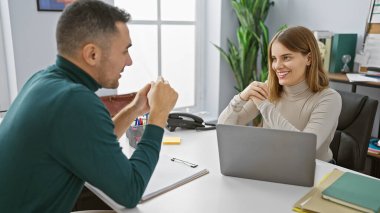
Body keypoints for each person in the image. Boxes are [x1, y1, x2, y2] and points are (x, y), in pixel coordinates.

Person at [0, 0, 178, 212]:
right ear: (92, 54)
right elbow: (131, 191)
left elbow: (89, 140)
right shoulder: (74, 101)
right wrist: (159, 115)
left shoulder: (42, 80)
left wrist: (136, 108)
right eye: (124, 51)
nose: (129, 61)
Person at [218, 26, 342, 162]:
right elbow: (224, 127)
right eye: (274, 59)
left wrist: (265, 106)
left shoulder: (329, 99)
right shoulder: (269, 88)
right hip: (273, 164)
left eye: (286, 57)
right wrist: (240, 98)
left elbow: (303, 149)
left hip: (318, 172)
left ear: (309, 59)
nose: (277, 66)